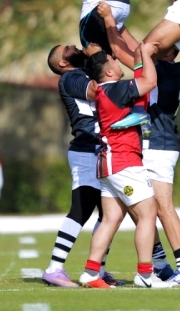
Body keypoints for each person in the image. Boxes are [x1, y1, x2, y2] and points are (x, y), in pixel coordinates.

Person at [96, 1, 180, 285]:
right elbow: (135, 46)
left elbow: (122, 51)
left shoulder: (162, 70)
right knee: (140, 207)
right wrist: (118, 23)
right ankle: (160, 263)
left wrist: (109, 20)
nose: (150, 45)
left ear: (167, 50)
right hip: (156, 144)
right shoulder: (165, 67)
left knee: (161, 207)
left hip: (158, 145)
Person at [77, 42, 173, 289]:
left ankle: (90, 272)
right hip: (124, 162)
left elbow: (140, 84)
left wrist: (141, 59)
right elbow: (150, 82)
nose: (118, 62)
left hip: (108, 164)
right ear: (109, 72)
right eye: (114, 61)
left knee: (111, 219)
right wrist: (145, 54)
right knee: (148, 215)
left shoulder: (106, 90)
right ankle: (145, 274)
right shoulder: (116, 89)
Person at [42, 43, 122, 288]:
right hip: (86, 150)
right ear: (62, 63)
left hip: (99, 148)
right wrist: (98, 57)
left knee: (109, 213)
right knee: (81, 209)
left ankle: (98, 269)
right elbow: (98, 91)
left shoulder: (83, 71)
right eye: (67, 48)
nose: (74, 46)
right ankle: (54, 268)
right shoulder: (70, 77)